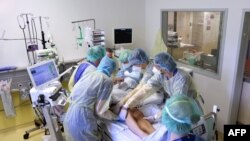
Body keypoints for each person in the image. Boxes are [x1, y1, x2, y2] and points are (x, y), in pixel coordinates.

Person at [63, 56, 120, 141]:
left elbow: (90, 96)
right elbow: (100, 111)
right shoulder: (106, 80)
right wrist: (116, 117)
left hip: (70, 116)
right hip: (82, 120)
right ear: (112, 69)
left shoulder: (90, 75)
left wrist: (114, 100)